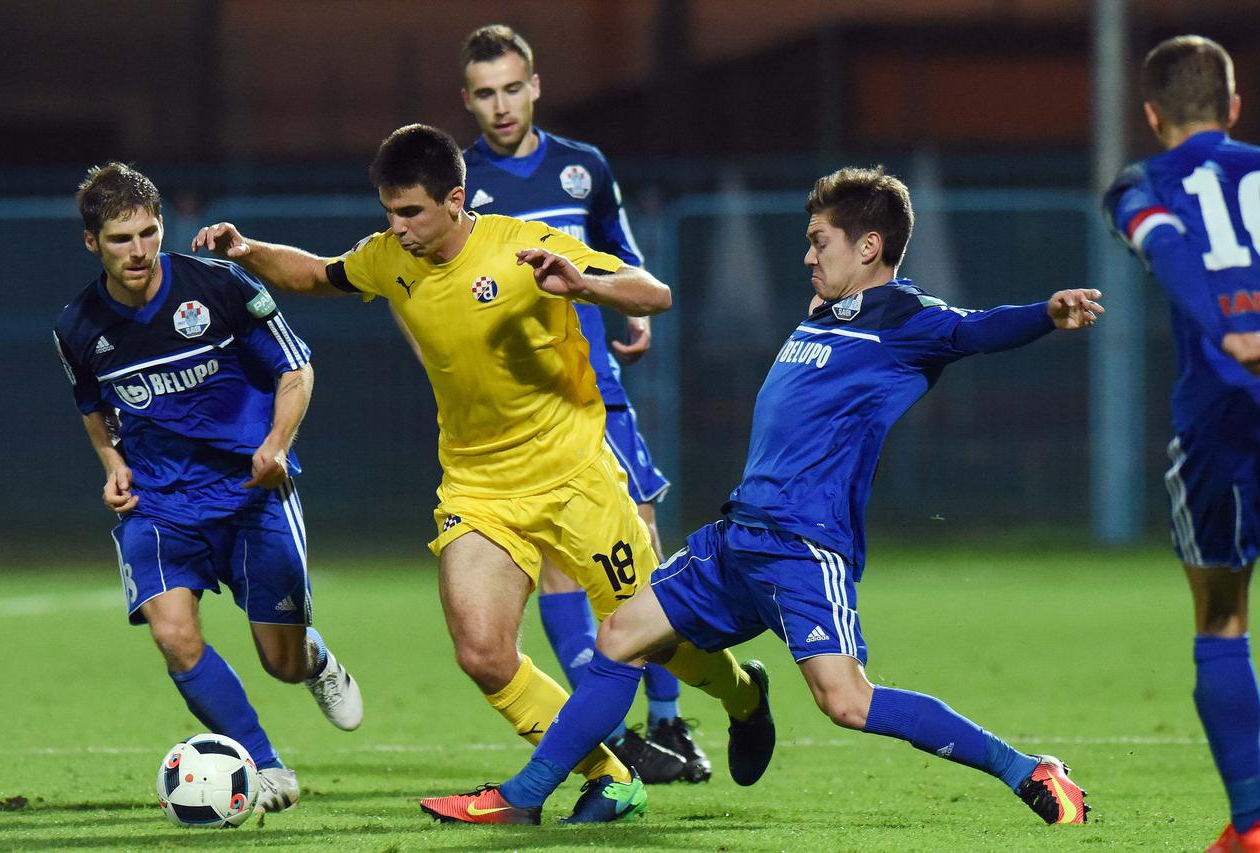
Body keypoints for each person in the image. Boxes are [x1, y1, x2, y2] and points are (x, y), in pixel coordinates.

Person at [422, 165, 1099, 825]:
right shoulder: (831, 311)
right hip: (737, 537)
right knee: (623, 634)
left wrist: (1046, 313)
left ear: (869, 247)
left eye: (819, 241)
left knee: (847, 701)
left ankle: (1028, 768)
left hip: (803, 550)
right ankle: (526, 795)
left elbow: (976, 328)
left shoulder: (907, 320)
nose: (807, 255)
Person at [191, 124, 772, 824]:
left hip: (575, 474)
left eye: (411, 212)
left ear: (455, 199)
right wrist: (248, 253)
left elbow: (655, 293)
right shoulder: (388, 258)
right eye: (389, 212)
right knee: (483, 651)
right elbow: (318, 273)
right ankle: (612, 776)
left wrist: (585, 283)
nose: (396, 227)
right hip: (478, 487)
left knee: (656, 639)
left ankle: (743, 694)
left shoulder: (522, 246)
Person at [428, 23, 701, 785]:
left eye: (512, 87)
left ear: (535, 85)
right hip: (517, 414)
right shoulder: (458, 186)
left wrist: (633, 309)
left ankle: (669, 720)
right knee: (557, 565)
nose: (501, 105)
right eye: (484, 93)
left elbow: (622, 256)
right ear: (467, 100)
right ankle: (607, 726)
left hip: (593, 390)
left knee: (641, 544)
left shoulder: (585, 169)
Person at [53, 162, 363, 815]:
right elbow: (94, 408)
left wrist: (275, 445)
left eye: (147, 233)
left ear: (161, 226)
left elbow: (296, 369)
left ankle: (314, 659)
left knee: (279, 660)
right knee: (173, 634)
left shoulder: (217, 286)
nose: (138, 251)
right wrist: (111, 463)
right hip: (160, 501)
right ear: (92, 242)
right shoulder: (77, 326)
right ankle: (265, 765)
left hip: (250, 491)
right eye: (120, 239)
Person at [1103, 35, 1260, 853]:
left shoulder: (1141, 183)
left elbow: (1166, 248)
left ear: (1152, 113)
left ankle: (1255, 822)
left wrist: (1234, 328)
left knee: (1224, 615)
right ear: (1233, 107)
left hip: (1224, 414)